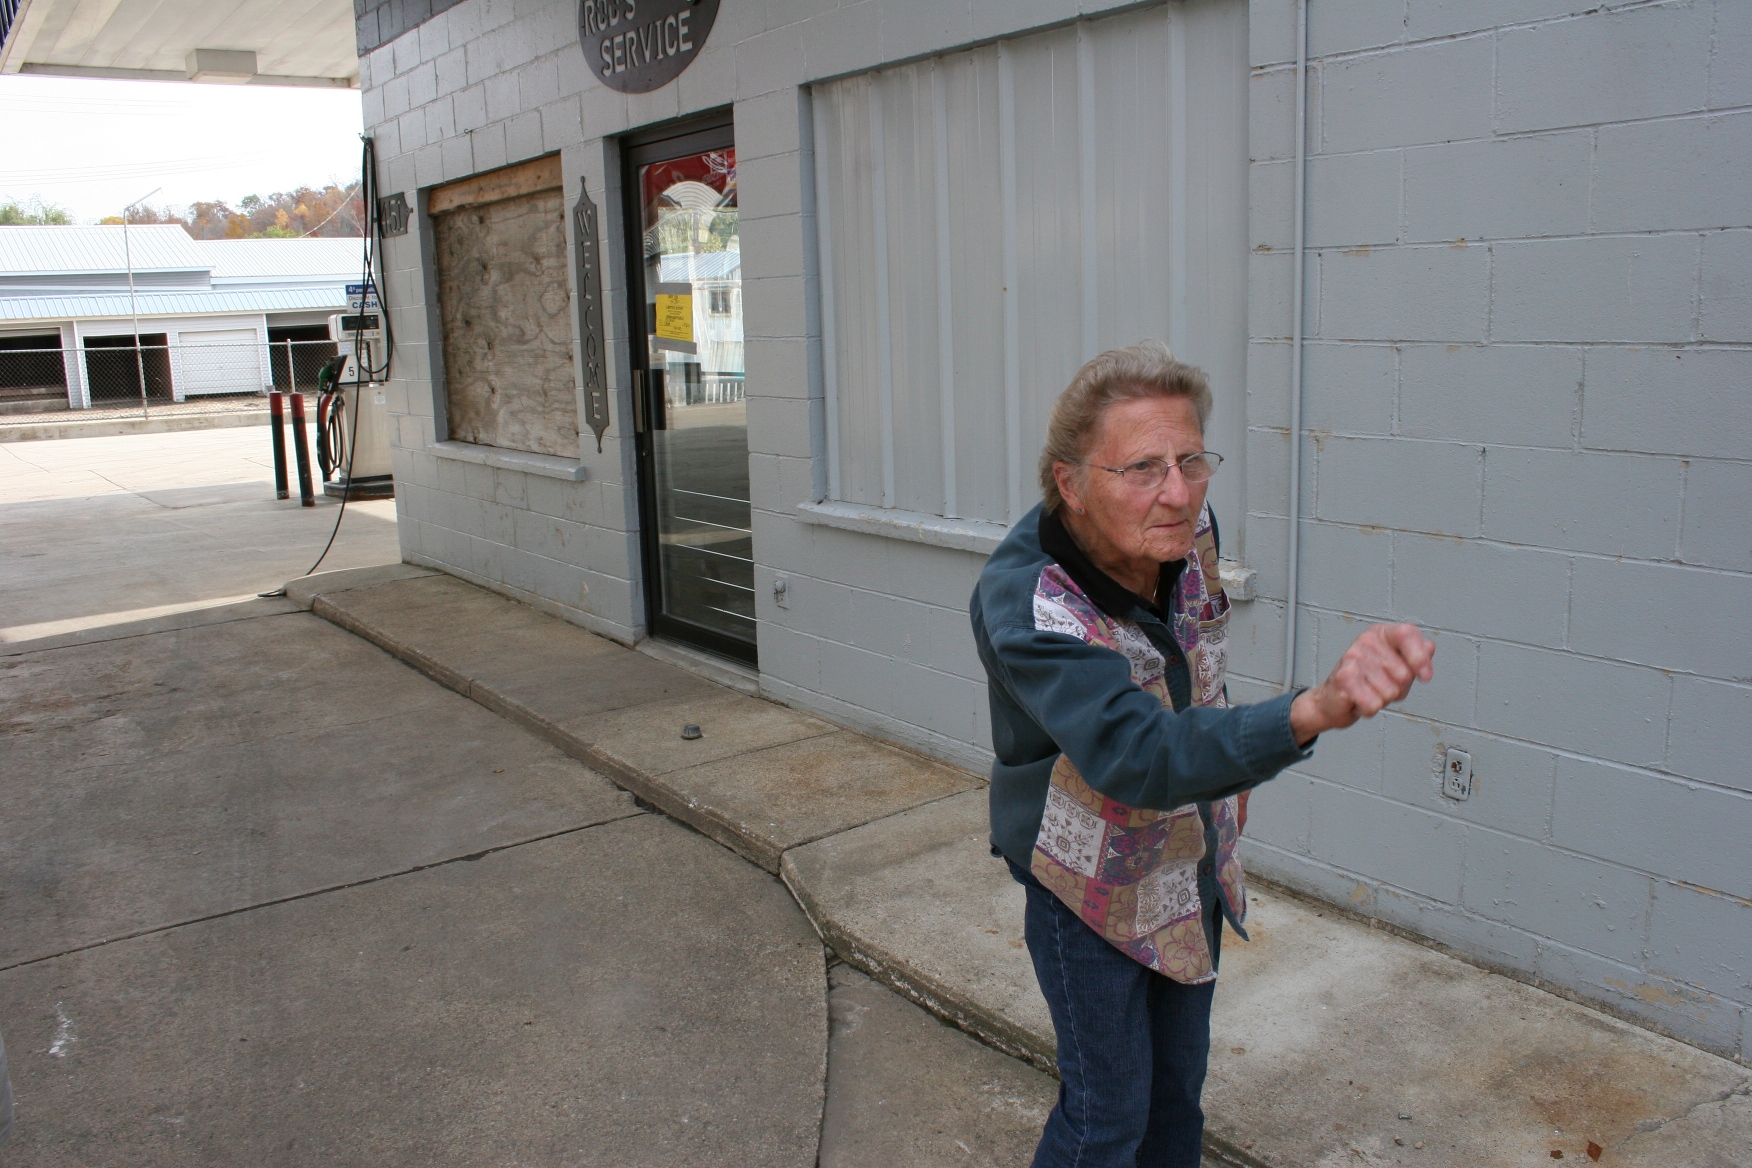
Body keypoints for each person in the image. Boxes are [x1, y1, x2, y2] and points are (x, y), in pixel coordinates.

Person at [969, 341, 1435, 1168]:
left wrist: (1224, 776)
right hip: (1086, 886)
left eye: (1191, 461)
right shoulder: (1030, 602)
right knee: (1106, 1118)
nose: (1179, 492)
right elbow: (1134, 752)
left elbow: (1199, 650)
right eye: (1142, 468)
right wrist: (1309, 712)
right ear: (1071, 483)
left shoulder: (1185, 532)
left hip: (1189, 855)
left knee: (1176, 1099)